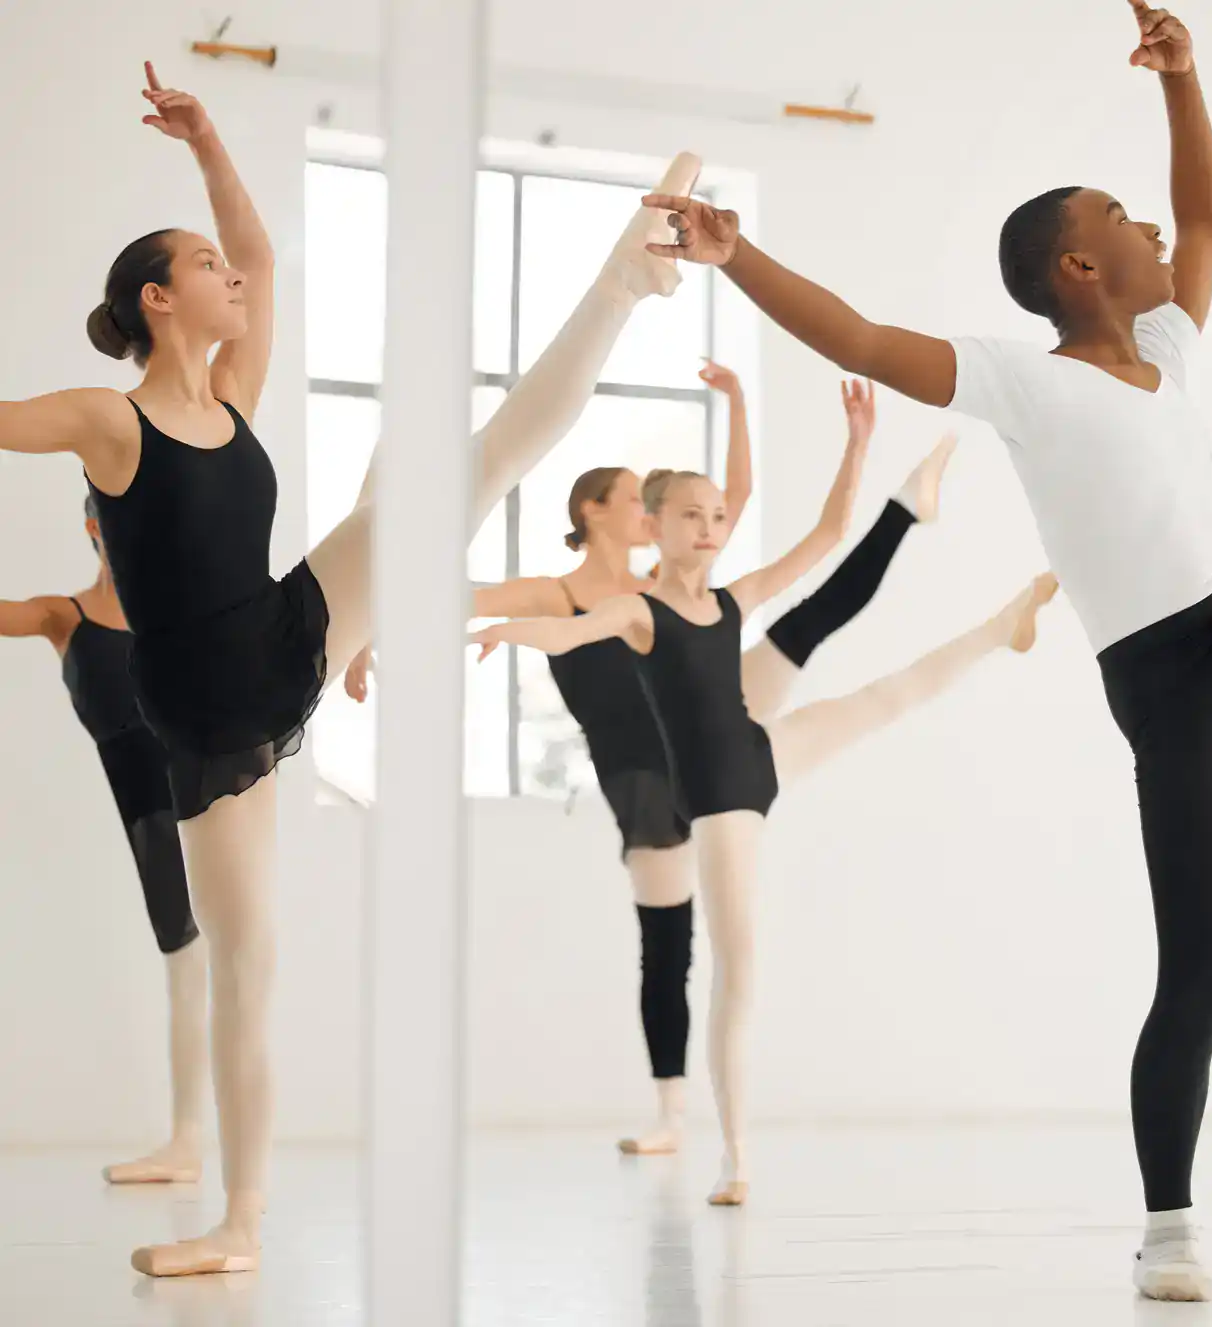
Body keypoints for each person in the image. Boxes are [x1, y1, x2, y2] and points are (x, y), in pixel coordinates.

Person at [643, 0, 1212, 1300]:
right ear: (1077, 270)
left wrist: (1181, 81)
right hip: (1185, 685)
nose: (1145, 230)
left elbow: (1205, 226)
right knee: (1203, 962)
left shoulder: (1168, 352)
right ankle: (1170, 1223)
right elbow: (858, 337)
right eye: (1116, 222)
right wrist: (739, 257)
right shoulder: (1024, 379)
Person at [0, 63, 700, 1275]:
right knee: (247, 968)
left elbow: (262, 256)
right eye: (205, 269)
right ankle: (240, 1219)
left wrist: (210, 144)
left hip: (285, 630)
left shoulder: (234, 393)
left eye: (229, 270)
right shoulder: (113, 423)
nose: (233, 276)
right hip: (207, 712)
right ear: (160, 300)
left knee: (472, 466)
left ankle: (624, 280)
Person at [347, 372, 956, 1160]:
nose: (653, 510)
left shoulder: (660, 590)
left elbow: (729, 497)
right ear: (592, 511)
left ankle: (906, 508)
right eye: (638, 498)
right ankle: (672, 1112)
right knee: (667, 945)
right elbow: (451, 598)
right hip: (641, 778)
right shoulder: (558, 593)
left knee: (805, 624)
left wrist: (740, 404)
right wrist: (363, 634)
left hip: (713, 736)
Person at [472, 430, 1054, 1209]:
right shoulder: (636, 610)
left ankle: (996, 621)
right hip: (717, 804)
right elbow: (569, 630)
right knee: (738, 974)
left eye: (717, 515)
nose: (709, 527)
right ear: (656, 521)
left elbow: (821, 541)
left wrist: (856, 451)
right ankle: (735, 1155)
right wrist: (505, 631)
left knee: (885, 695)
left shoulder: (730, 598)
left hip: (763, 753)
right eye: (691, 514)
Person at [0, 499, 207, 1188]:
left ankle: (194, 1141)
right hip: (149, 802)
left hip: (205, 791)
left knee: (207, 957)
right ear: (93, 526)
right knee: (184, 954)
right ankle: (187, 1140)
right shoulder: (65, 615)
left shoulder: (170, 619)